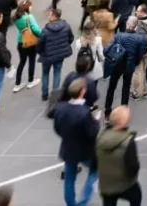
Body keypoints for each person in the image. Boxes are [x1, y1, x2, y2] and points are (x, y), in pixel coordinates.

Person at [53, 78, 101, 206]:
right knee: (95, 171)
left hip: (68, 148)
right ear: (82, 92)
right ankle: (83, 202)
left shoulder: (60, 108)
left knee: (69, 177)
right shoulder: (84, 113)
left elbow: (57, 128)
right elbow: (92, 133)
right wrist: (95, 120)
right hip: (85, 150)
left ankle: (70, 203)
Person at [96, 106, 142, 206]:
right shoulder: (128, 140)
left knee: (108, 202)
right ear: (122, 123)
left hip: (106, 184)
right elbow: (132, 166)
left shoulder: (100, 137)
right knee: (136, 197)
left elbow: (95, 159)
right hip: (125, 184)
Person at [103, 16, 147, 118]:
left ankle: (107, 112)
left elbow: (106, 50)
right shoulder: (139, 38)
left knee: (111, 88)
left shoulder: (119, 36)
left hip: (117, 65)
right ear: (136, 27)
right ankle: (123, 113)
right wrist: (134, 63)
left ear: (127, 24)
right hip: (129, 66)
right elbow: (140, 55)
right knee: (126, 89)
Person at [38, 6, 75, 102]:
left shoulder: (46, 30)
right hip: (60, 54)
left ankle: (44, 94)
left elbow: (40, 43)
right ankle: (55, 95)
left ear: (53, 16)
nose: (48, 16)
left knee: (45, 73)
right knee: (57, 72)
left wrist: (40, 51)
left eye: (49, 15)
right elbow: (70, 38)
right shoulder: (66, 26)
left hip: (47, 55)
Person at [12, 0, 42, 92]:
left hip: (21, 42)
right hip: (31, 42)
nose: (31, 7)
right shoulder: (29, 17)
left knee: (22, 62)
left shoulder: (16, 17)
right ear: (27, 8)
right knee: (31, 61)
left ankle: (17, 83)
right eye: (30, 6)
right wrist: (42, 34)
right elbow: (35, 29)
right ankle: (30, 80)